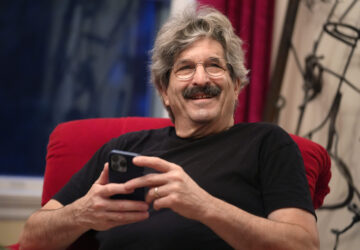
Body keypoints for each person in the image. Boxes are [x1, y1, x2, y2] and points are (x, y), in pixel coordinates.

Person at [20, 5, 319, 250]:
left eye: (214, 66)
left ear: (236, 84)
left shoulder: (267, 144)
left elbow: (303, 245)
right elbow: (32, 236)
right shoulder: (124, 150)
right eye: (186, 68)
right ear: (164, 90)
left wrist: (204, 206)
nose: (201, 79)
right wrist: (82, 213)